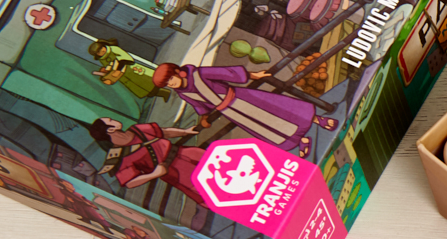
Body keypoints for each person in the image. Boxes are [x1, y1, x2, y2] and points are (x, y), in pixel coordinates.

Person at [150, 61, 337, 155]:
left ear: (177, 72)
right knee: (266, 126)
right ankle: (301, 139)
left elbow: (227, 73)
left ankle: (317, 120)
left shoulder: (200, 73)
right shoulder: (183, 93)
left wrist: (253, 75)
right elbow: (199, 105)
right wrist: (204, 117)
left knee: (279, 109)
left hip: (242, 97)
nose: (171, 84)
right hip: (231, 112)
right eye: (167, 84)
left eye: (170, 79)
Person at [89, 117, 206, 205]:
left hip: (186, 152)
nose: (114, 119)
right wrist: (154, 174)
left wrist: (185, 132)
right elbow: (129, 183)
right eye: (110, 120)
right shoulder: (119, 157)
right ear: (110, 129)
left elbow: (163, 132)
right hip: (176, 172)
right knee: (208, 188)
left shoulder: (136, 129)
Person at [88, 39, 170, 100]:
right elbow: (109, 67)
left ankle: (169, 86)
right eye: (98, 52)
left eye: (101, 49)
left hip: (132, 70)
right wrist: (106, 71)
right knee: (143, 90)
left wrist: (117, 68)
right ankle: (164, 93)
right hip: (124, 77)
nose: (101, 51)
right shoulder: (102, 59)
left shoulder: (113, 49)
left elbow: (127, 59)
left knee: (151, 81)